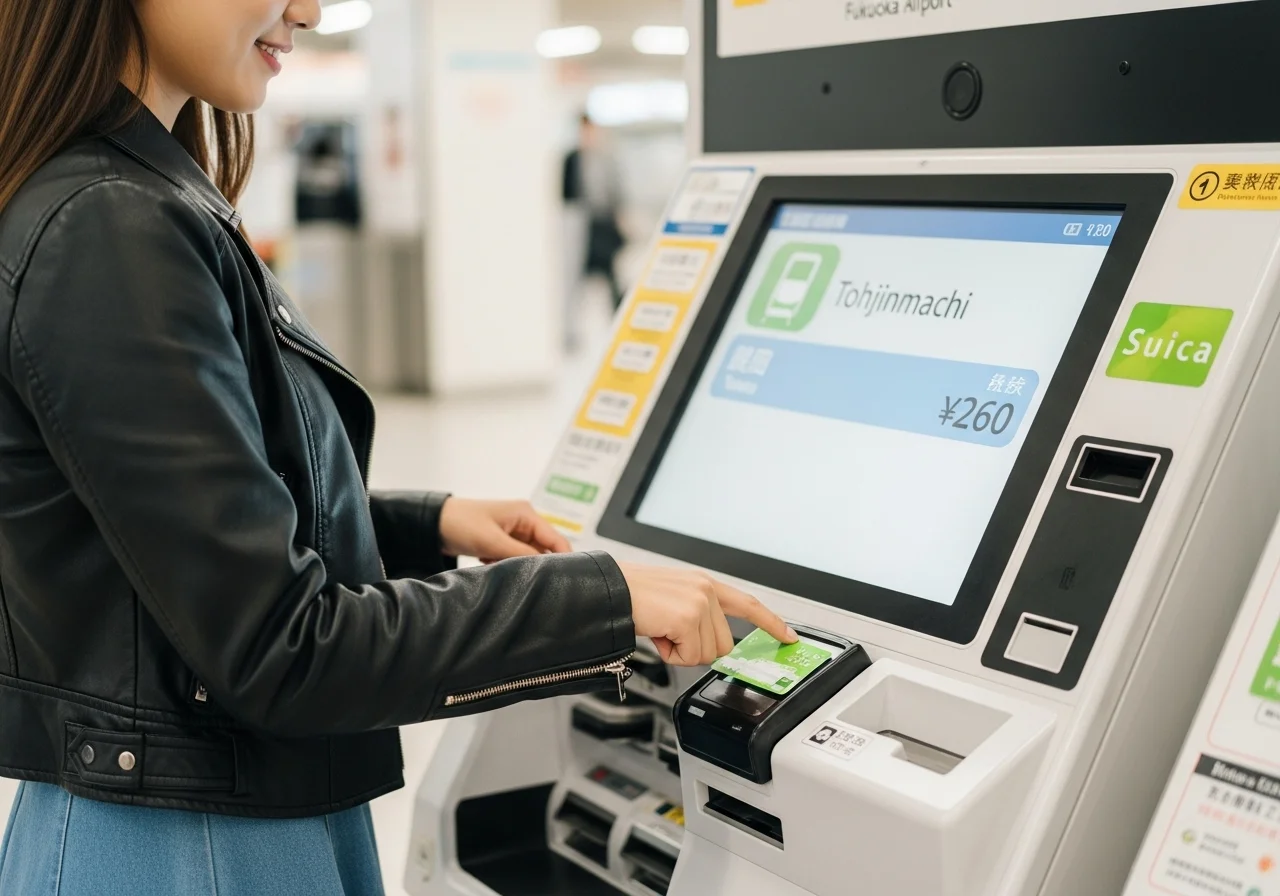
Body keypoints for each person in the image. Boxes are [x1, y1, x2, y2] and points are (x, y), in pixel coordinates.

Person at [0, 3, 796, 894]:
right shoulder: (110, 222)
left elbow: (172, 540)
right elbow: (282, 648)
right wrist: (597, 600)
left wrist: (430, 524)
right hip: (190, 845)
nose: (306, 7)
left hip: (207, 805)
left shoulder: (131, 195)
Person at [563, 113, 627, 318]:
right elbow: (566, 197)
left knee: (612, 278)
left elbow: (615, 194)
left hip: (604, 226)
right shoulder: (572, 159)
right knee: (576, 280)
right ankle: (573, 327)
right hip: (582, 227)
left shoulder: (606, 159)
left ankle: (616, 317)